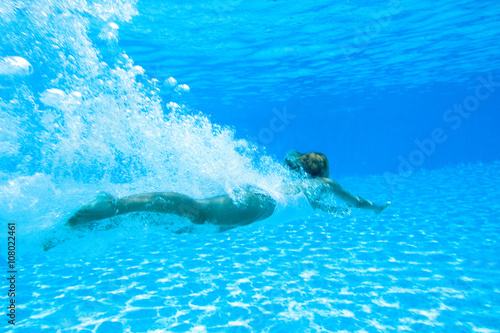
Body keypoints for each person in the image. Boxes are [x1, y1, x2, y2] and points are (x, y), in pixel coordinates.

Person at [67, 151, 390, 229]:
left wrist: (335, 210)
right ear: (322, 172)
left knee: (186, 225)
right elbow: (355, 200)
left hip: (259, 205)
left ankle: (102, 222)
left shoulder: (309, 191)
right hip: (263, 204)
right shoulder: (324, 184)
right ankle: (113, 205)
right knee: (196, 210)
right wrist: (372, 207)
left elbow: (317, 206)